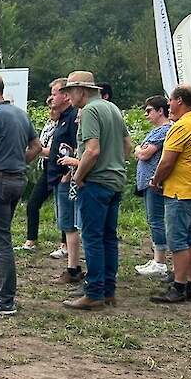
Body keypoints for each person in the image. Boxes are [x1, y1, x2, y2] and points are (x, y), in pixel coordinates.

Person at [59, 71, 132, 310]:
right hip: (115, 180)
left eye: (69, 91)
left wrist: (79, 176)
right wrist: (116, 164)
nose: (68, 96)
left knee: (92, 238)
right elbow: (127, 145)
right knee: (109, 238)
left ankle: (94, 292)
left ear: (82, 90)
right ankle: (108, 290)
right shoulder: (112, 108)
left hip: (96, 183)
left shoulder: (89, 111)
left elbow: (91, 150)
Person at [0, 73, 41, 315]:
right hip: (17, 181)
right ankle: (2, 290)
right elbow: (37, 145)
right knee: (3, 238)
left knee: (1, 243)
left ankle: (5, 298)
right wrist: (19, 162)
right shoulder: (20, 114)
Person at [150, 85, 191, 304]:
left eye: (170, 101)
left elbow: (167, 161)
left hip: (179, 191)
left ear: (180, 101)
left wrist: (156, 180)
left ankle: (179, 286)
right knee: (190, 238)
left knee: (178, 242)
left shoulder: (181, 127)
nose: (169, 105)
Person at [46, 77, 85, 286]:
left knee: (69, 224)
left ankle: (73, 268)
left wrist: (68, 175)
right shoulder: (62, 118)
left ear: (66, 96)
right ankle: (72, 266)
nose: (52, 98)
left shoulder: (72, 119)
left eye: (55, 93)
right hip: (57, 177)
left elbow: (77, 147)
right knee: (65, 223)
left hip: (66, 179)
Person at [133, 95, 172, 277]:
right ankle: (158, 258)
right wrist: (140, 150)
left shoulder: (164, 130)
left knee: (156, 220)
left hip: (153, 182)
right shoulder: (157, 131)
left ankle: (160, 261)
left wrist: (140, 150)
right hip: (149, 182)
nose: (146, 114)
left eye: (149, 111)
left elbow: (144, 153)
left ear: (160, 111)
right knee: (154, 219)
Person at [16, 94, 58, 252]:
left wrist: (38, 151)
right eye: (49, 108)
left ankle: (65, 244)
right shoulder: (49, 124)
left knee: (62, 209)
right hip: (47, 169)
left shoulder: (63, 125)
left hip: (60, 169)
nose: (51, 112)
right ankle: (31, 239)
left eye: (53, 108)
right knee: (33, 203)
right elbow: (40, 145)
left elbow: (52, 150)